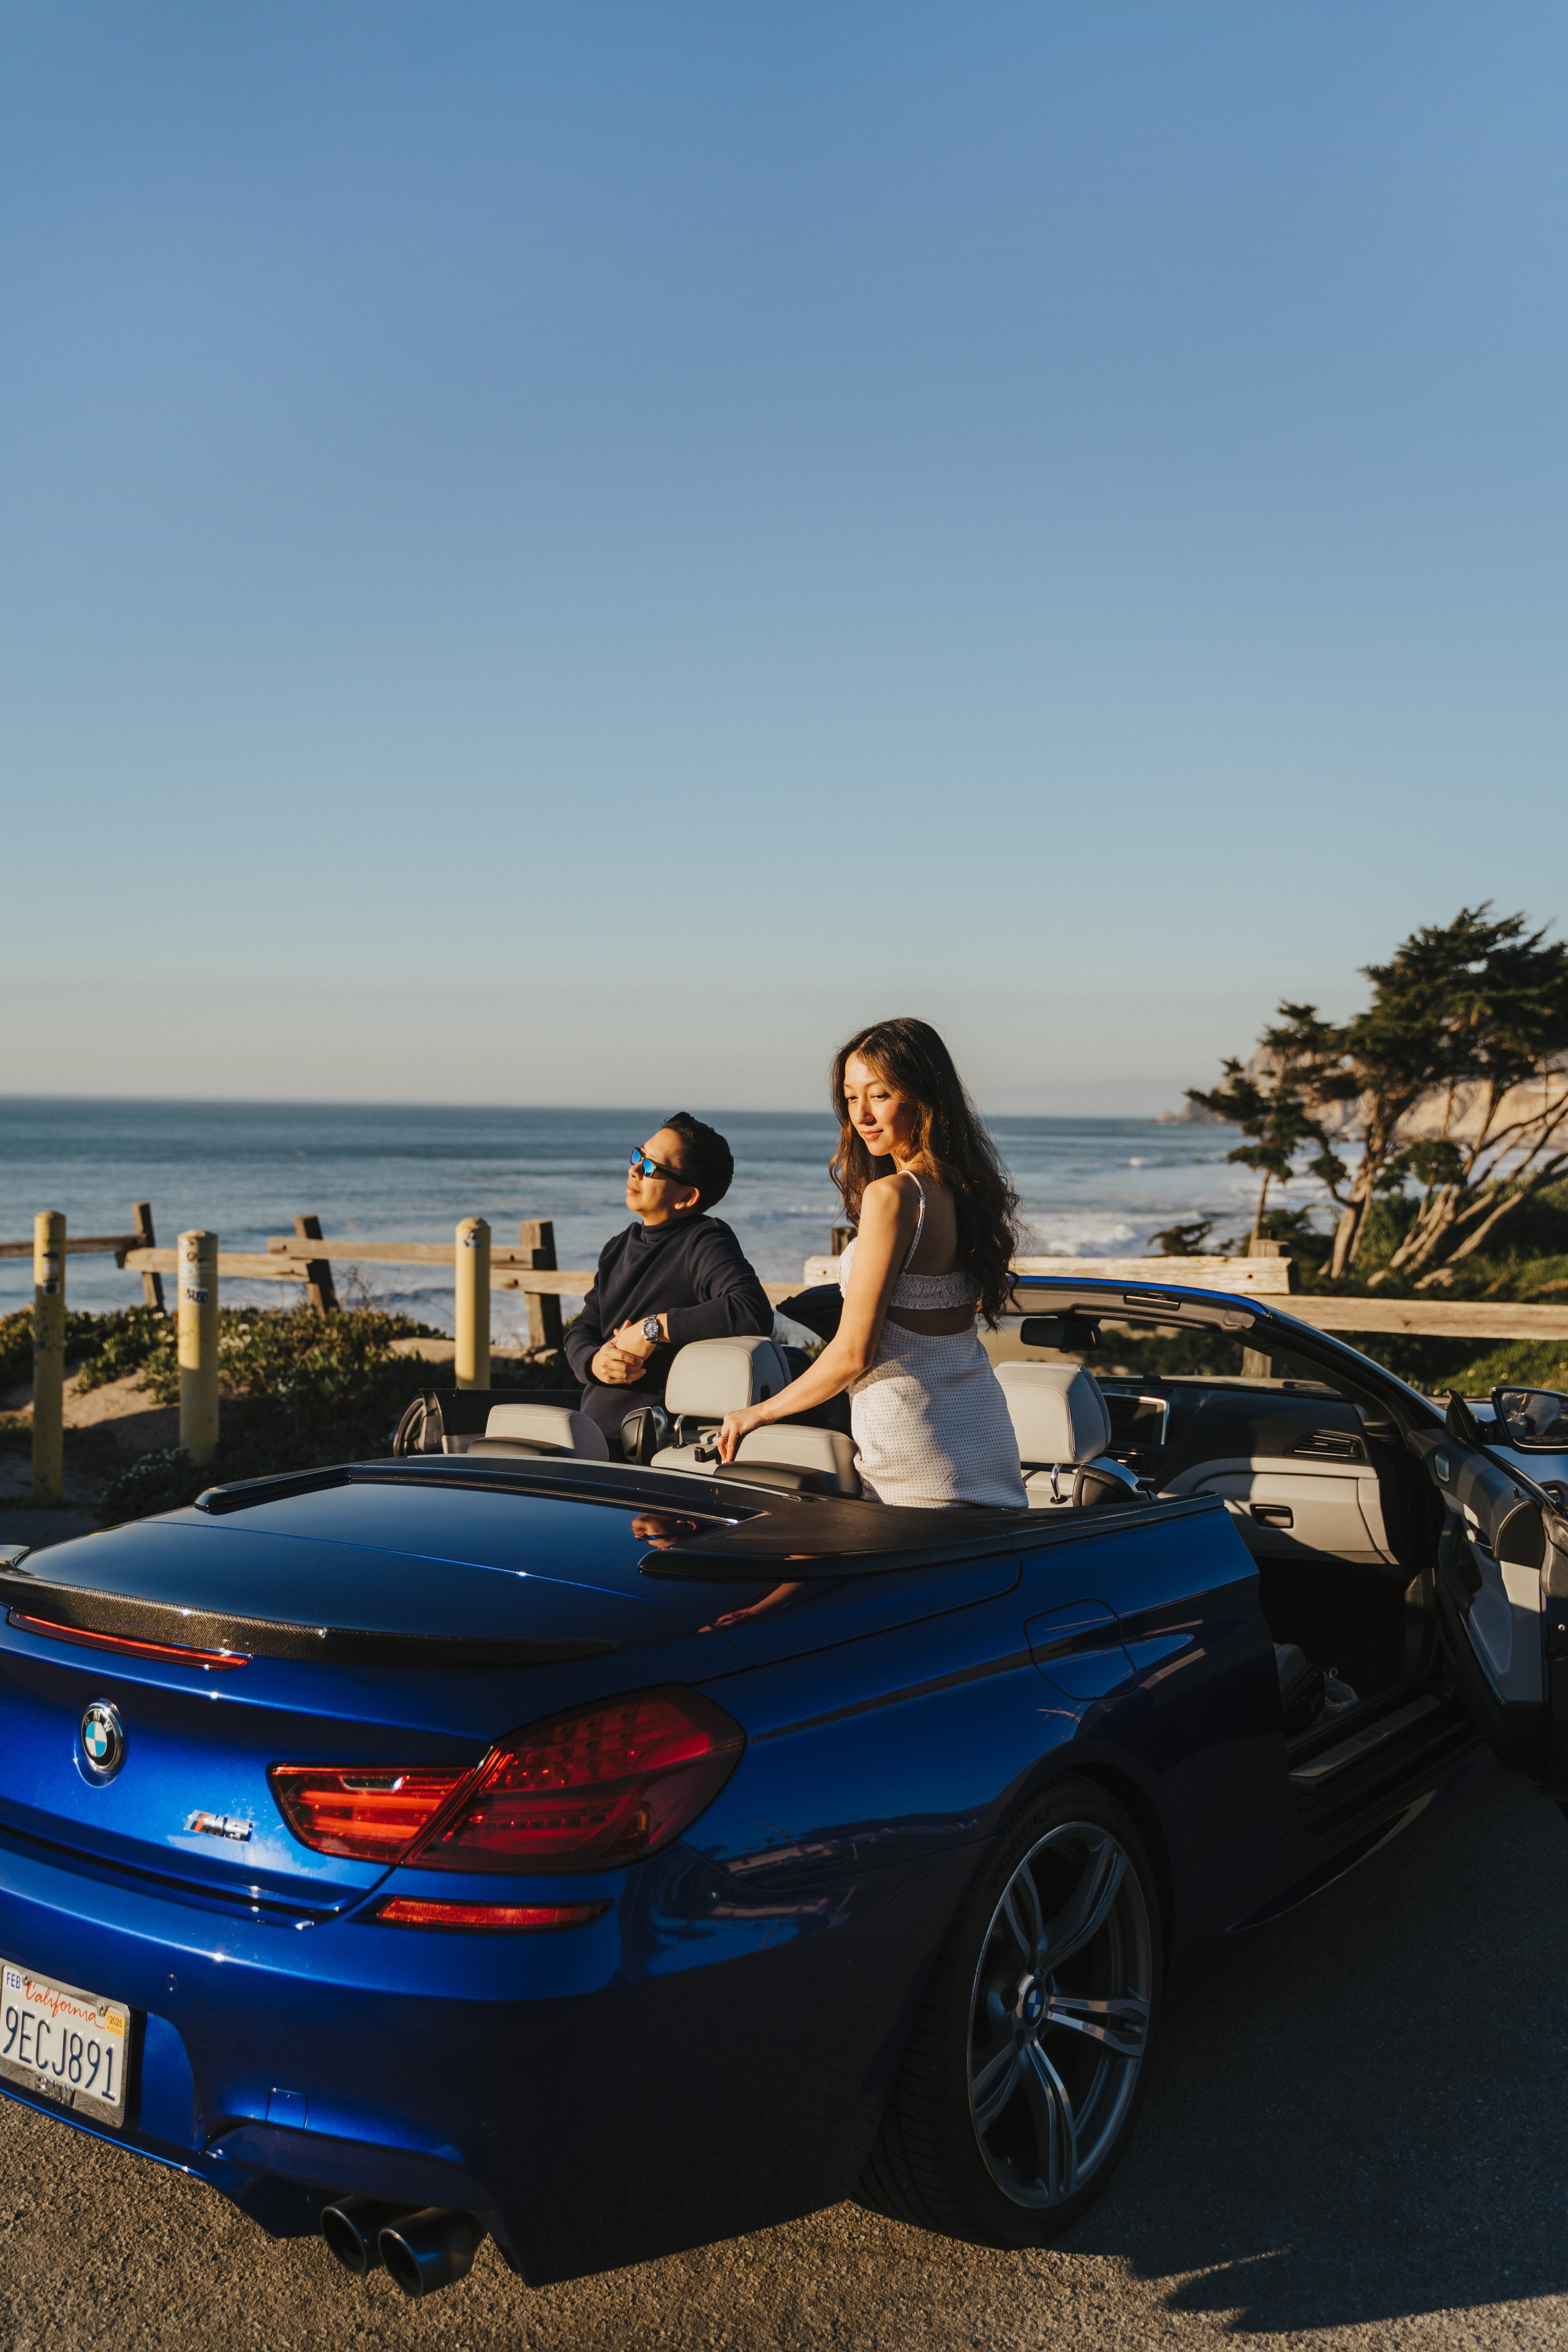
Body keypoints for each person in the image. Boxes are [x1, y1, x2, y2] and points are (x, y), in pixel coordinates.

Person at [717, 1018, 1026, 1509]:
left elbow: (853, 1353)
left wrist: (758, 1413)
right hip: (984, 1430)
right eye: (850, 1097)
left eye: (879, 1095)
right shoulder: (968, 1192)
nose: (861, 1115)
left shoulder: (893, 1196)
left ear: (925, 1097)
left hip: (911, 1437)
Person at [566, 1114, 774, 1452]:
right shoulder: (618, 1246)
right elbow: (582, 1330)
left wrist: (652, 1329)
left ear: (687, 1198)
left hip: (655, 1447)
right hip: (590, 1438)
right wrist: (593, 1362)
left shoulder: (704, 1240)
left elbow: (750, 1310)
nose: (635, 1170)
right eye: (639, 1156)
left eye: (651, 1168)